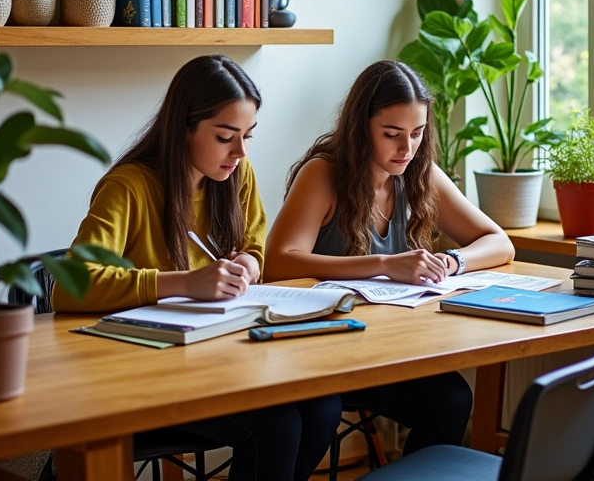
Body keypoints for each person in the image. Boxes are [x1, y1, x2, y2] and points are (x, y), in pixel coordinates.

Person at [53, 54, 341, 481]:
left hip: (219, 359)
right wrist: (185, 283)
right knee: (277, 426)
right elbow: (69, 289)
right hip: (140, 370)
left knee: (323, 406)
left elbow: (255, 246)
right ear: (183, 128)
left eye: (248, 135)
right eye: (225, 136)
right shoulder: (128, 188)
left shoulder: (235, 178)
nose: (240, 152)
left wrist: (248, 262)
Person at [265, 59, 515, 455]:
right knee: (321, 412)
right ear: (361, 128)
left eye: (417, 133)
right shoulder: (322, 174)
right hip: (318, 350)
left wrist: (451, 262)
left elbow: (499, 242)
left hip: (384, 352)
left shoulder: (420, 174)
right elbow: (278, 262)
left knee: (452, 399)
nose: (407, 148)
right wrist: (383, 265)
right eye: (392, 134)